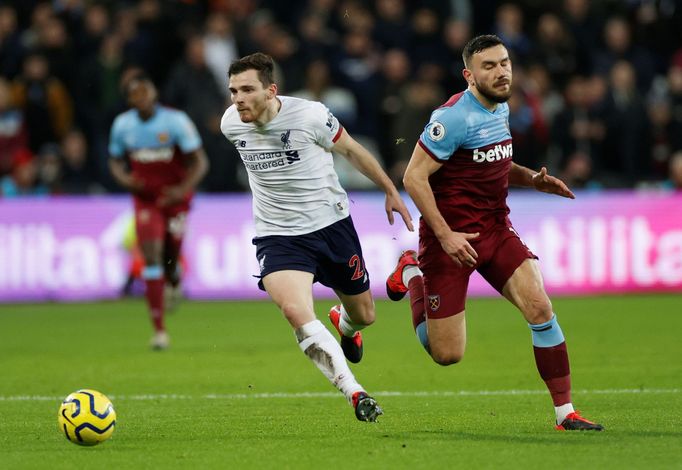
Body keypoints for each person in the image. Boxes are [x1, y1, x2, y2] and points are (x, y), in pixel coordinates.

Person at [386, 35, 603, 431]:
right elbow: (413, 177)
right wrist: (446, 235)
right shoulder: (452, 117)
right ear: (469, 75)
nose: (501, 71)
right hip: (450, 240)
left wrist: (532, 181)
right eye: (489, 66)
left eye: (504, 63)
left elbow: (496, 162)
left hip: (496, 228)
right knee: (446, 354)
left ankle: (565, 413)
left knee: (540, 308)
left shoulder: (500, 108)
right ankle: (414, 271)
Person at [220, 52, 414, 422]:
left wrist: (390, 189)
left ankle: (344, 323)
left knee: (365, 315)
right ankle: (353, 391)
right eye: (233, 91)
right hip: (278, 237)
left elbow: (353, 151)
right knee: (295, 311)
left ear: (271, 90)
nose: (237, 99)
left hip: (331, 227)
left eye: (247, 90)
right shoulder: (230, 124)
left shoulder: (310, 116)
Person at [108, 72, 209, 350]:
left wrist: (182, 188)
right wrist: (124, 179)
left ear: (154, 94)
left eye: (145, 91)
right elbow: (115, 160)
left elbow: (200, 162)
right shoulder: (122, 125)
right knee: (151, 255)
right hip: (146, 200)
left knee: (170, 258)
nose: (140, 98)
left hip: (174, 199)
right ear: (129, 99)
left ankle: (174, 278)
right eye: (134, 94)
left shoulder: (175, 122)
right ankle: (159, 330)